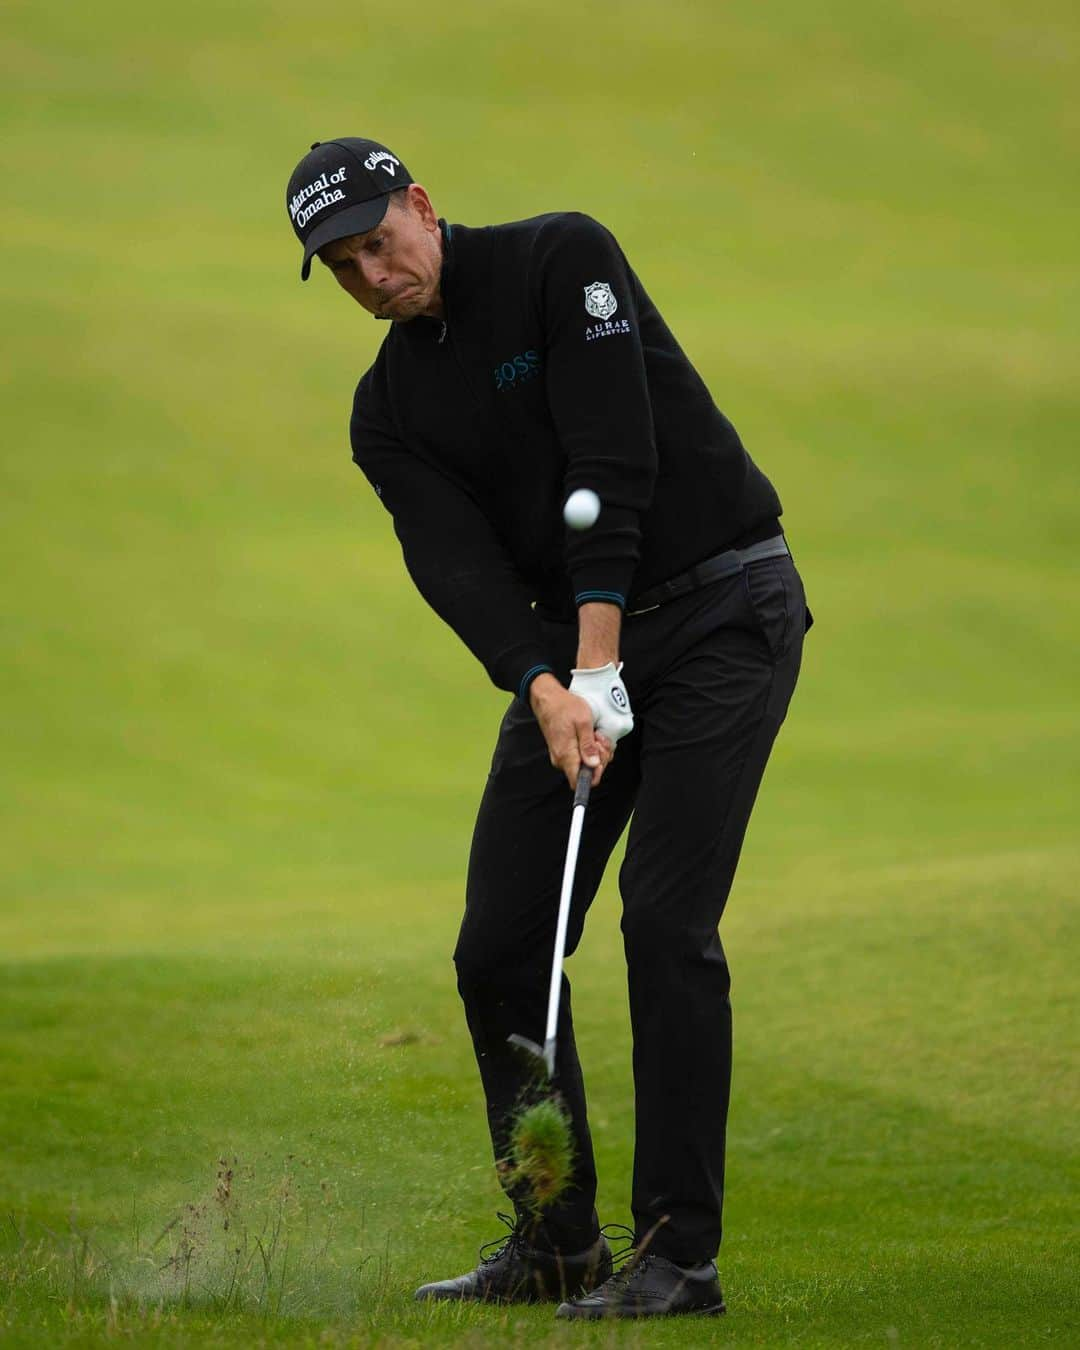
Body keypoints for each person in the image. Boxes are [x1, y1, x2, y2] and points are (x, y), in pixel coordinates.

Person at [285, 136, 811, 1321]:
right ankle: (556, 1238)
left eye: (380, 240)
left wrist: (598, 659)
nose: (373, 274)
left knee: (666, 919)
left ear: (422, 205)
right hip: (572, 663)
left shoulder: (561, 259)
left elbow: (613, 465)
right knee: (500, 951)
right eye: (344, 265)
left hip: (726, 602)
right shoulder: (388, 413)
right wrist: (547, 686)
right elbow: (457, 570)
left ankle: (678, 1255)